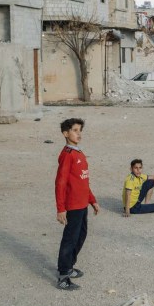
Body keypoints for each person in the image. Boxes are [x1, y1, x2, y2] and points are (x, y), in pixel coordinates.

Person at [54, 118, 99, 291]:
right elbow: (60, 183)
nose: (78, 134)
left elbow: (83, 181)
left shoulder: (79, 153)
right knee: (69, 239)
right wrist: (61, 209)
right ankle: (63, 275)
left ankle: (69, 266)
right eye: (74, 130)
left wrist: (92, 200)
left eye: (80, 130)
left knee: (81, 236)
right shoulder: (67, 155)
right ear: (66, 134)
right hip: (72, 206)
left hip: (82, 205)